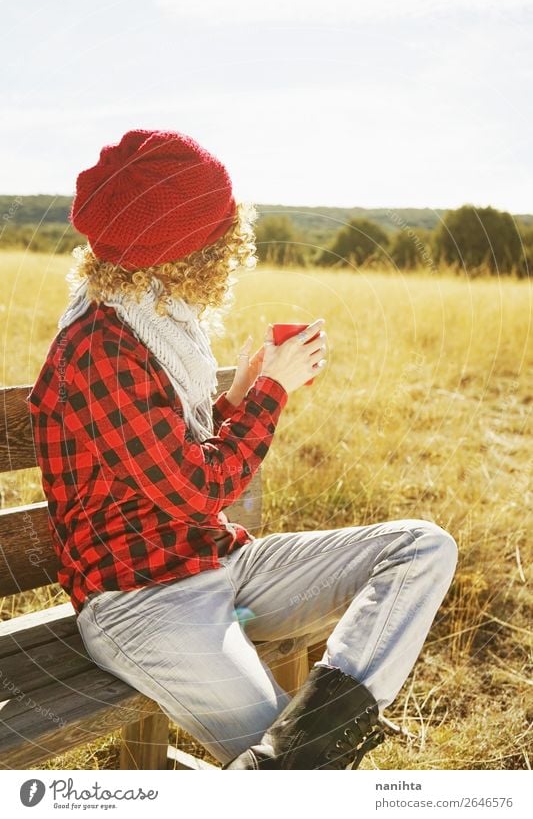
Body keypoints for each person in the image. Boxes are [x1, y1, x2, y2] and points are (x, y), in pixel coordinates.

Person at [28, 128, 458, 770]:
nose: (232, 242)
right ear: (187, 250)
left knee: (422, 548)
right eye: (221, 230)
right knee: (298, 770)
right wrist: (273, 394)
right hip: (144, 600)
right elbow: (199, 488)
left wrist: (239, 395)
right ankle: (301, 759)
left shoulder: (157, 321)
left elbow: (164, 456)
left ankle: (303, 749)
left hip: (216, 561)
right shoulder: (99, 347)